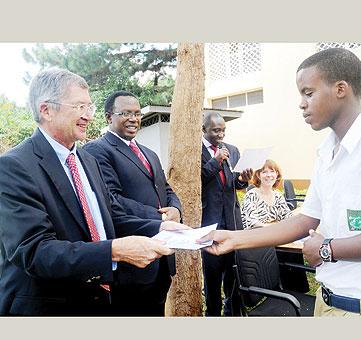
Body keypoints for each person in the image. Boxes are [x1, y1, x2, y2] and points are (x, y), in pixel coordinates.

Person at [199, 48, 361, 317]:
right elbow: (305, 222)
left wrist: (326, 249)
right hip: (326, 304)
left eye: (308, 93)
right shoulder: (326, 151)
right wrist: (234, 238)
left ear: (340, 89)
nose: (301, 103)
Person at [0, 68, 189, 316]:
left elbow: (108, 216)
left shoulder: (86, 160)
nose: (88, 116)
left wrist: (158, 227)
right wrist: (115, 250)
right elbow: (35, 251)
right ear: (46, 110)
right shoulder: (14, 166)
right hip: (47, 307)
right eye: (79, 107)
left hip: (99, 301)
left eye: (89, 107)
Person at [83, 90, 182, 316]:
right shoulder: (97, 151)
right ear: (109, 117)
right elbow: (111, 200)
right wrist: (161, 217)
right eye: (125, 113)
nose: (134, 119)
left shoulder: (149, 153)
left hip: (162, 260)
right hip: (131, 264)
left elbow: (165, 188)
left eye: (137, 113)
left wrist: (175, 208)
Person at [201, 111, 253, 316]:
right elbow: (198, 181)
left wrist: (244, 179)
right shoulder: (195, 152)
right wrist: (215, 160)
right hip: (210, 221)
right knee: (212, 274)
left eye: (223, 130)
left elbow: (234, 183)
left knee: (233, 272)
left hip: (232, 220)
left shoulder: (232, 150)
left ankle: (233, 312)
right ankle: (213, 313)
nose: (221, 135)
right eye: (216, 130)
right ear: (204, 130)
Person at [241, 159, 309, 292]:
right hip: (258, 239)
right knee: (287, 251)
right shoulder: (251, 195)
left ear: (277, 175)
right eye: (264, 172)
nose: (268, 175)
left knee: (293, 248)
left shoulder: (277, 196)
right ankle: (281, 289)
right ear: (258, 175)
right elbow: (251, 222)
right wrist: (276, 230)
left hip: (275, 237)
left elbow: (287, 216)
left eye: (272, 171)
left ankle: (296, 291)